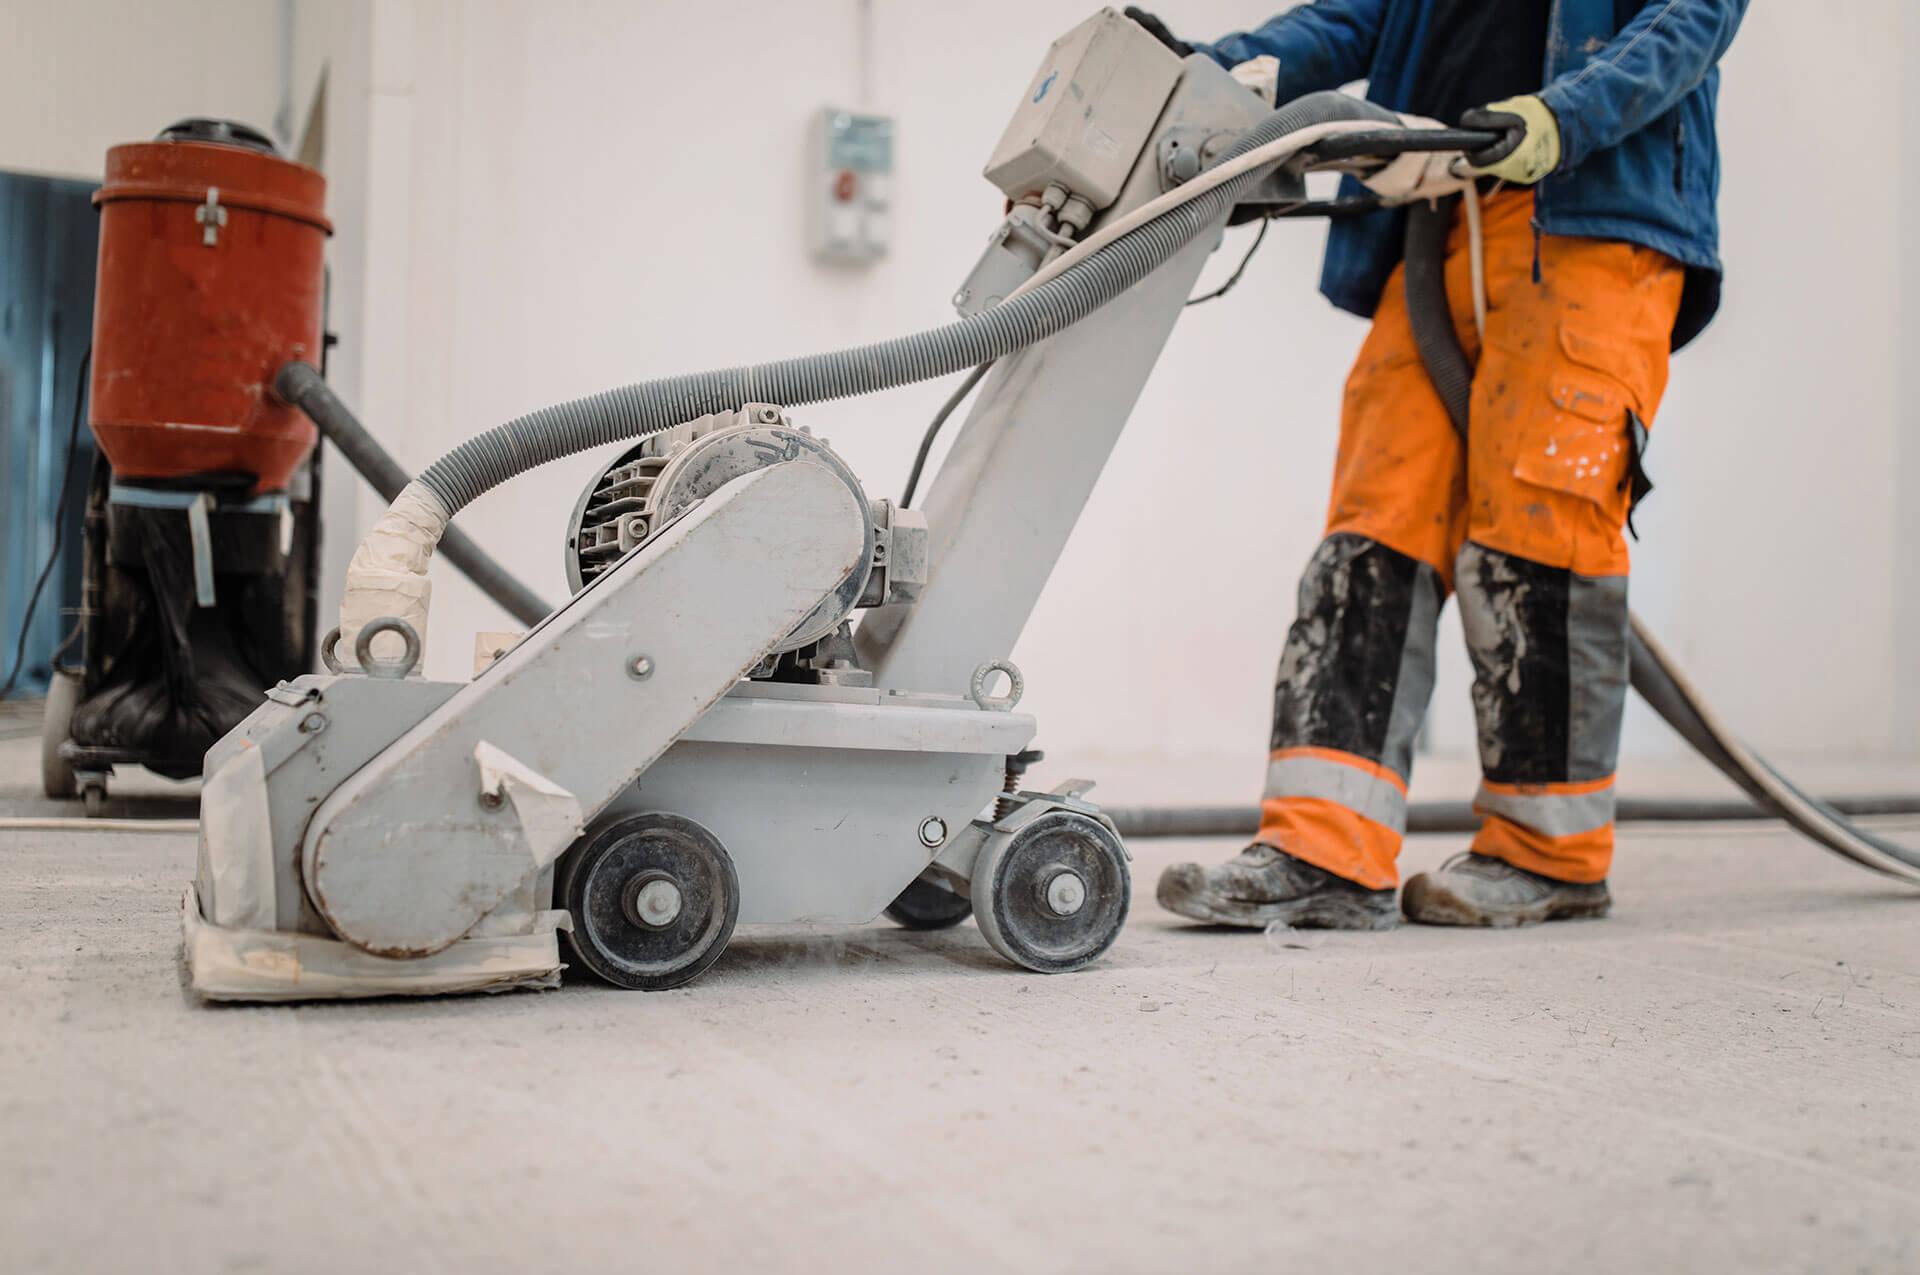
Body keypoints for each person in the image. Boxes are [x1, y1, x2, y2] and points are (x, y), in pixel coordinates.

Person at [1125, 1, 1748, 928]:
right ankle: (1322, 848)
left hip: (1589, 218)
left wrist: (1561, 115)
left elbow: (1691, 19)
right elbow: (1359, 17)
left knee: (1544, 529)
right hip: (1441, 222)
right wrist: (1212, 72)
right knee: (1375, 526)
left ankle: (1550, 853)